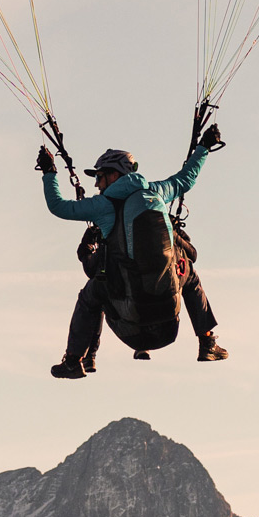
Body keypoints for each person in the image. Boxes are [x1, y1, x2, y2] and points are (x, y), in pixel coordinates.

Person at [37, 127, 227, 379]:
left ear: (114, 175)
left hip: (130, 317)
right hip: (168, 318)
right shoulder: (158, 191)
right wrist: (203, 147)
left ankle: (75, 360)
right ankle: (207, 343)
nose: (96, 183)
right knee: (188, 273)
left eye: (100, 176)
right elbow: (186, 179)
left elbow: (58, 206)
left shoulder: (103, 205)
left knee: (92, 291)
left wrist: (50, 173)